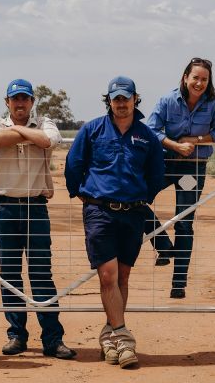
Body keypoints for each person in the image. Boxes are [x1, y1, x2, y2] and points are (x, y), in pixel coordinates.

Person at [65, 76, 164, 368]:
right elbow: (74, 165)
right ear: (109, 100)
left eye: (126, 98)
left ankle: (109, 337)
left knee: (122, 277)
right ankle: (124, 338)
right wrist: (82, 195)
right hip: (100, 212)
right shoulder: (92, 130)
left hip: (133, 213)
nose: (121, 103)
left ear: (135, 99)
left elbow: (156, 174)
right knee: (107, 276)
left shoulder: (146, 136)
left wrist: (142, 197)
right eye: (116, 98)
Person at [0, 79, 76, 360]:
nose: (20, 103)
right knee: (10, 274)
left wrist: (17, 131)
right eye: (15, 99)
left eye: (25, 99)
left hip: (35, 206)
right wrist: (26, 134)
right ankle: (16, 336)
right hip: (4, 207)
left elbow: (47, 141)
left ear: (32, 102)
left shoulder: (45, 122)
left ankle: (52, 339)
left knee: (40, 273)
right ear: (7, 102)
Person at [145, 57, 215, 299]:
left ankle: (178, 284)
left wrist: (194, 141)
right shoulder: (167, 100)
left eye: (204, 79)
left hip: (192, 169)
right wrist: (174, 145)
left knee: (184, 221)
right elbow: (151, 129)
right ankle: (163, 245)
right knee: (136, 199)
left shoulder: (214, 105)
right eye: (195, 78)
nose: (199, 83)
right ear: (185, 78)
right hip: (163, 163)